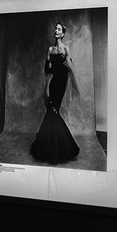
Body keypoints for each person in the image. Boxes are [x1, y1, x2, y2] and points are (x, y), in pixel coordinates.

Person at [30, 22, 80, 164]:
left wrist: (68, 64)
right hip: (52, 83)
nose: (56, 30)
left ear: (62, 34)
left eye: (59, 29)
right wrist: (47, 81)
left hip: (61, 83)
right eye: (55, 28)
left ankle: (49, 146)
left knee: (54, 111)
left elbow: (71, 67)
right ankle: (54, 146)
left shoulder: (66, 48)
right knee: (52, 111)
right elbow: (47, 69)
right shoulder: (50, 49)